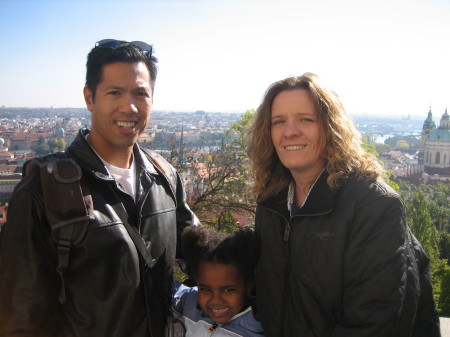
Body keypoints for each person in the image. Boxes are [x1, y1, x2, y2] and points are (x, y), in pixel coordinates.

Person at [0, 39, 200, 337]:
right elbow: (20, 318)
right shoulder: (43, 188)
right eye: (115, 92)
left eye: (140, 93)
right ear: (90, 98)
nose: (129, 106)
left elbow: (202, 255)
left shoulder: (164, 176)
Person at [247, 72, 441, 337]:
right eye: (278, 121)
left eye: (306, 119)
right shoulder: (271, 202)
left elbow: (376, 321)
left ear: (331, 128)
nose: (290, 132)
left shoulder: (374, 205)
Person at [172, 226, 264, 337]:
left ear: (249, 285)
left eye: (228, 290)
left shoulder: (261, 324)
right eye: (205, 289)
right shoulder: (187, 301)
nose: (216, 300)